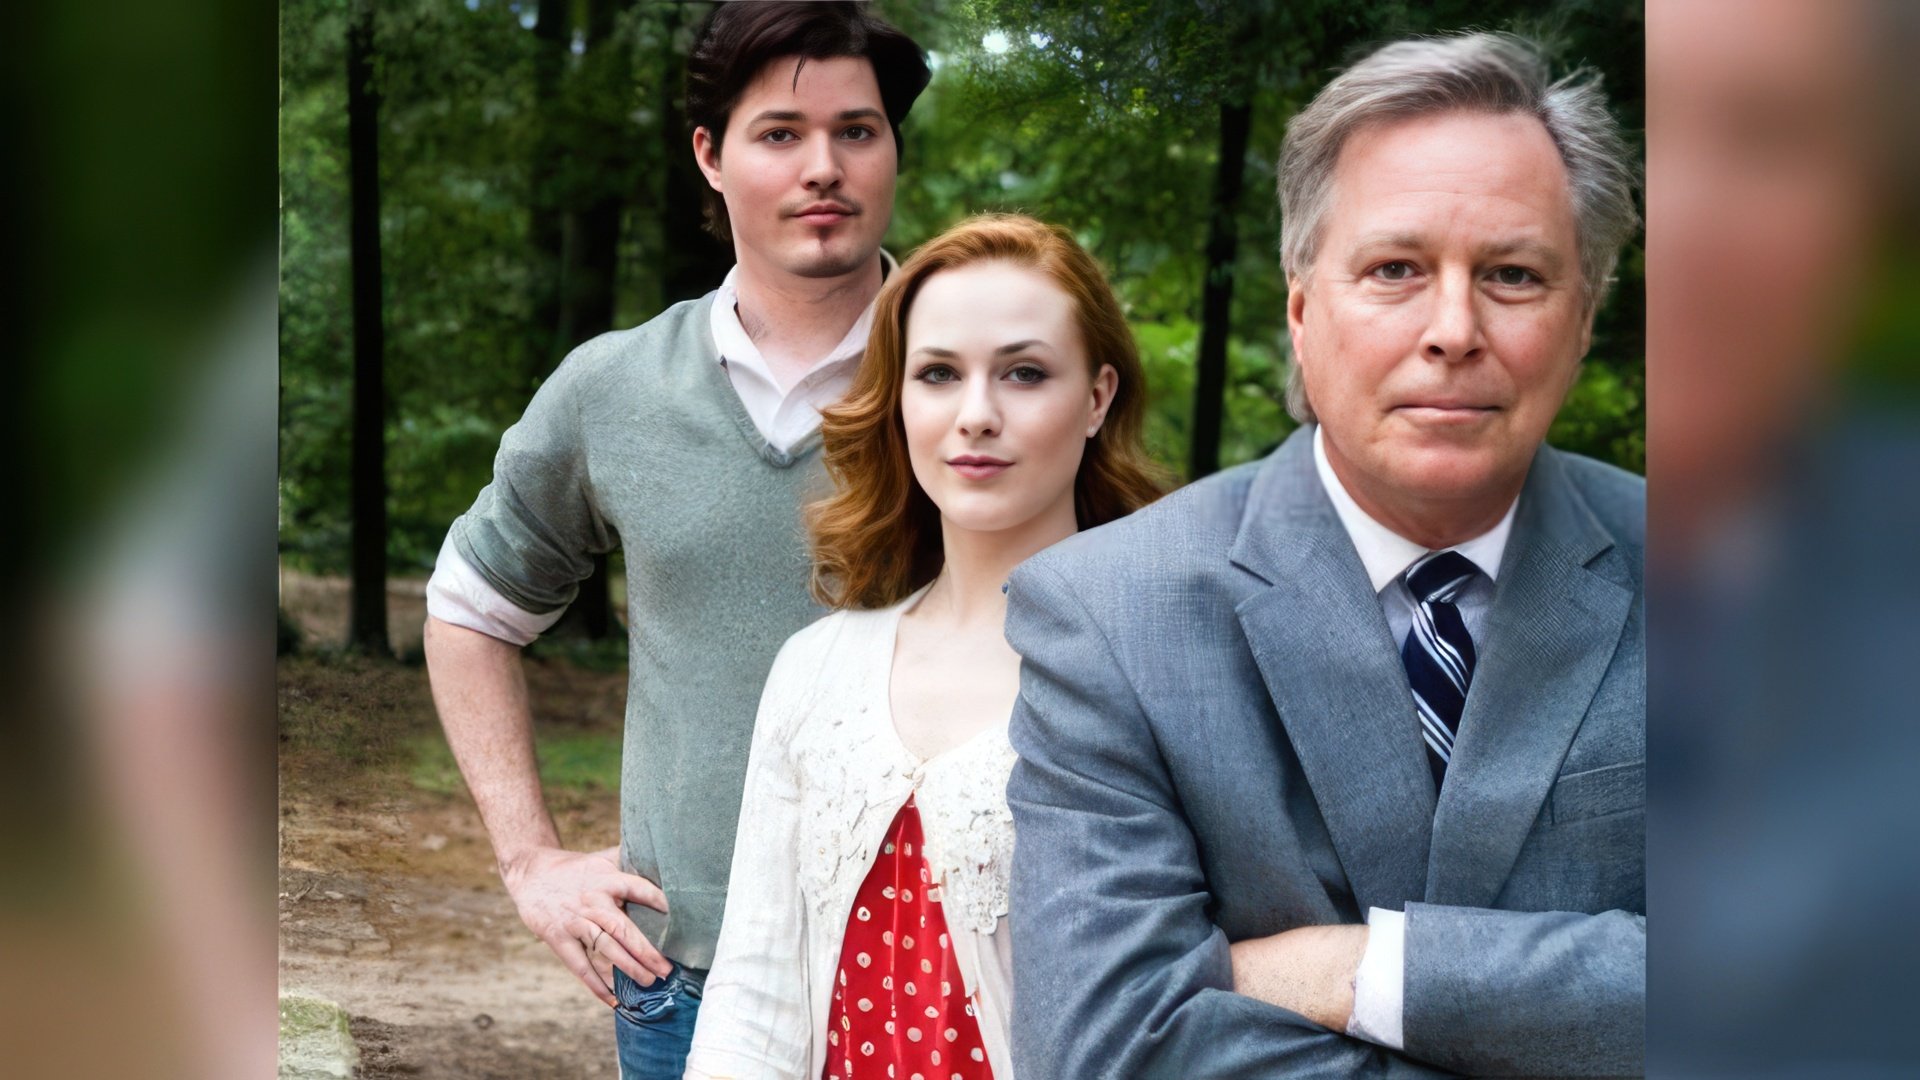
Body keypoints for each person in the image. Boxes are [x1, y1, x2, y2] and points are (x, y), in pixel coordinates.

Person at [1003, 33, 1645, 1078]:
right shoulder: (1107, 614)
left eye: (1513, 274)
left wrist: (1373, 974)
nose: (1453, 328)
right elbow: (1108, 1049)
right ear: (1302, 313)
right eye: (1395, 269)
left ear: (1583, 320)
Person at [419, 4, 929, 1075]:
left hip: (937, 966)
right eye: (780, 133)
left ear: (892, 150)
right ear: (710, 154)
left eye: (858, 130)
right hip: (688, 982)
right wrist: (530, 862)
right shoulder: (614, 390)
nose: (823, 167)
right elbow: (470, 608)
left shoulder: (976, 375)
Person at [681, 214, 1163, 1080]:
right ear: (898, 399)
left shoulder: (1161, 675)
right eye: (939, 374)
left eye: (1024, 373)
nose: (976, 415)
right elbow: (753, 999)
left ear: (1096, 398)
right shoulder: (817, 669)